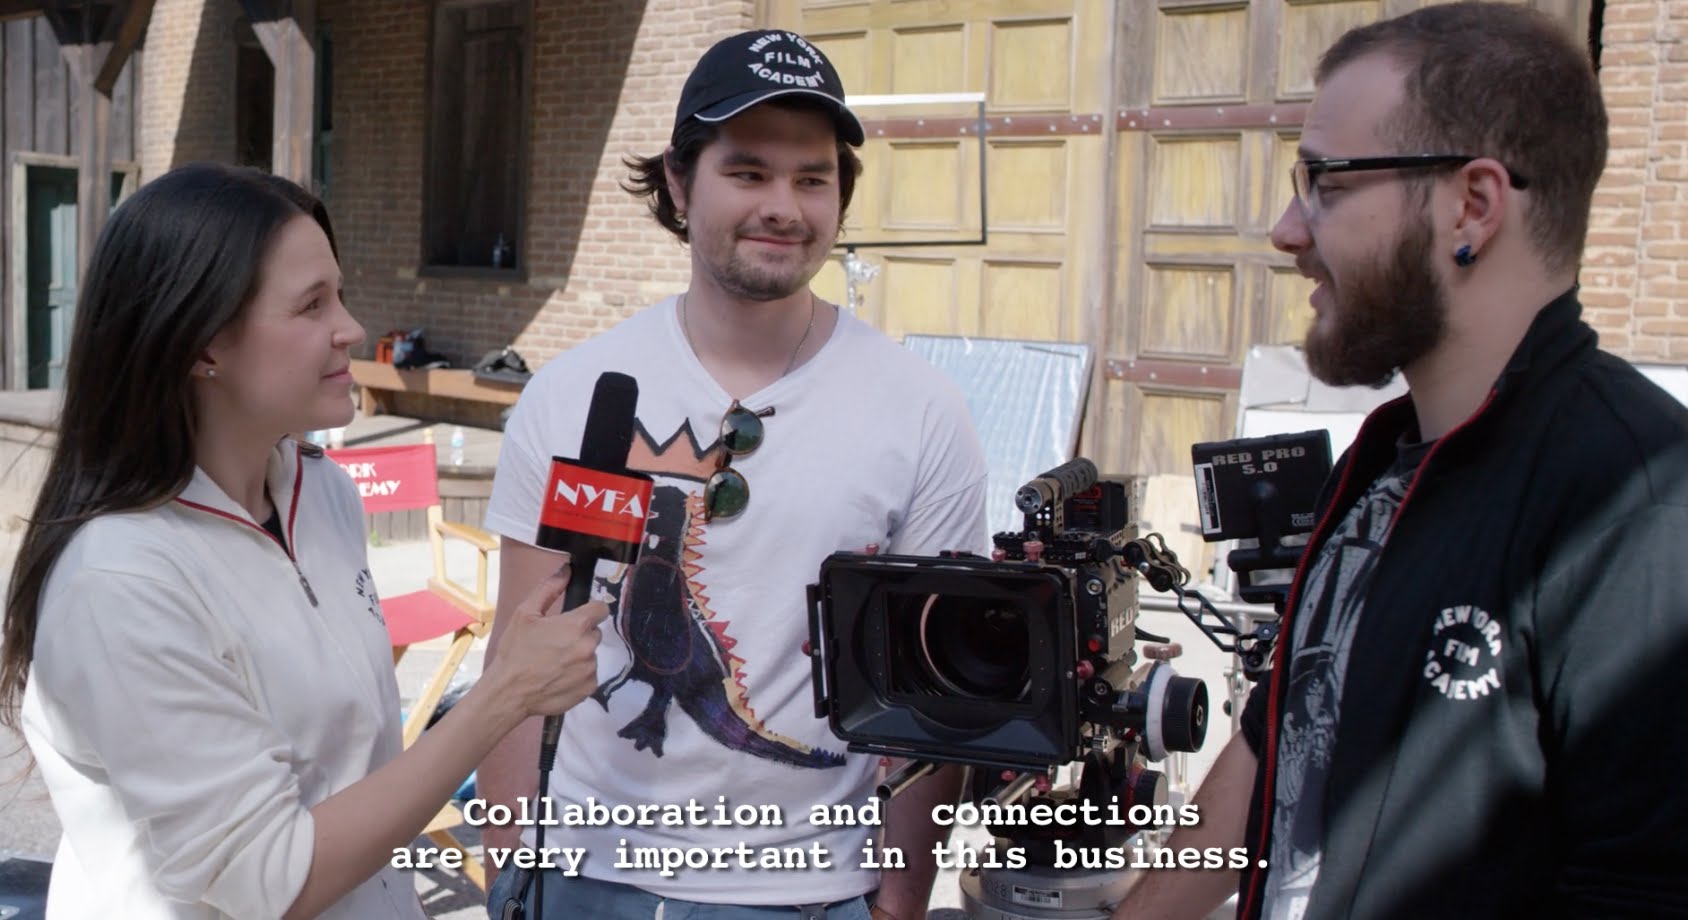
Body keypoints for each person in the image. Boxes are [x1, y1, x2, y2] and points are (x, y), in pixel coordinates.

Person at [1112, 4, 1688, 920]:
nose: (1286, 231)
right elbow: (1276, 738)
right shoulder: (1382, 464)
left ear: (1473, 205)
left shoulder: (1639, 509)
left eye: (1326, 185)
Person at [0, 162, 610, 919]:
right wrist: (501, 698)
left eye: (341, 294)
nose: (351, 328)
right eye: (311, 304)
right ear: (201, 346)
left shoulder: (319, 491)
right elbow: (273, 880)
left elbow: (354, 763)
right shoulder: (120, 581)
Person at [478, 28, 991, 920]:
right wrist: (509, 872)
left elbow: (928, 693)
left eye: (812, 178)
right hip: (587, 882)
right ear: (680, 183)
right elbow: (516, 661)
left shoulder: (922, 409)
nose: (783, 206)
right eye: (748, 173)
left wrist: (899, 899)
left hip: (815, 893)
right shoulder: (576, 397)